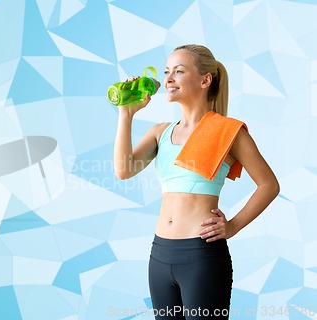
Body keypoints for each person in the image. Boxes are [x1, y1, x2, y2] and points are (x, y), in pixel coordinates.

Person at [113, 44, 279, 319]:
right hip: (160, 255)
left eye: (179, 71)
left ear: (205, 80)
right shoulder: (160, 133)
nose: (168, 79)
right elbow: (123, 170)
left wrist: (233, 226)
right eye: (167, 71)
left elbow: (269, 185)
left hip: (201, 256)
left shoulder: (228, 131)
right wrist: (126, 114)